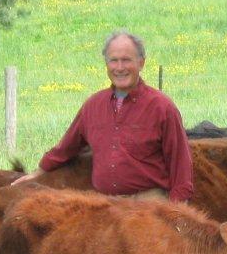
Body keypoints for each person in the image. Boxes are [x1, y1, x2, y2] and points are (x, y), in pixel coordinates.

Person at [14, 31, 193, 201]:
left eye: (126, 60)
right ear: (106, 64)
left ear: (141, 63)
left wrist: (176, 214)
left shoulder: (162, 107)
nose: (120, 67)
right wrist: (38, 172)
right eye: (113, 61)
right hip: (106, 205)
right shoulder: (93, 106)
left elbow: (181, 166)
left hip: (149, 204)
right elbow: (65, 148)